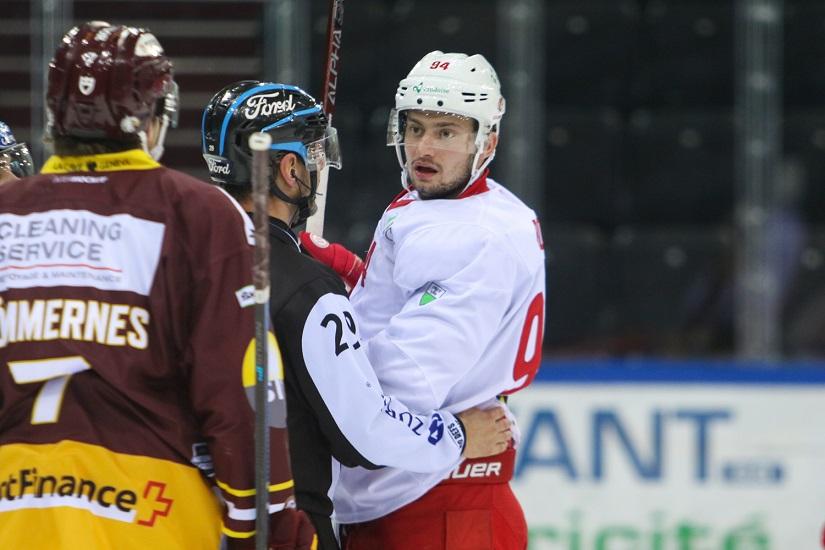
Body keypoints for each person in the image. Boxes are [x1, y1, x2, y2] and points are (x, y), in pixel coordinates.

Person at [0, 22, 313, 550]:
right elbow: (246, 384)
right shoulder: (196, 213)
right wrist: (267, 529)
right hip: (150, 521)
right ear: (149, 117)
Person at [200, 80, 513, 550]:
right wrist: (459, 435)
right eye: (314, 156)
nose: (319, 168)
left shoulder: (178, 262)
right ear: (289, 169)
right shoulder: (306, 289)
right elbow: (365, 432)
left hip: (183, 519)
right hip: (282, 528)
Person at [301, 51, 547, 549]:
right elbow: (407, 304)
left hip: (438, 507)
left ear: (487, 141)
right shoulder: (453, 205)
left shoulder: (476, 238)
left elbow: (394, 390)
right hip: (410, 497)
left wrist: (306, 338)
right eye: (415, 128)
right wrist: (351, 275)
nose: (423, 147)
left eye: (446, 132)